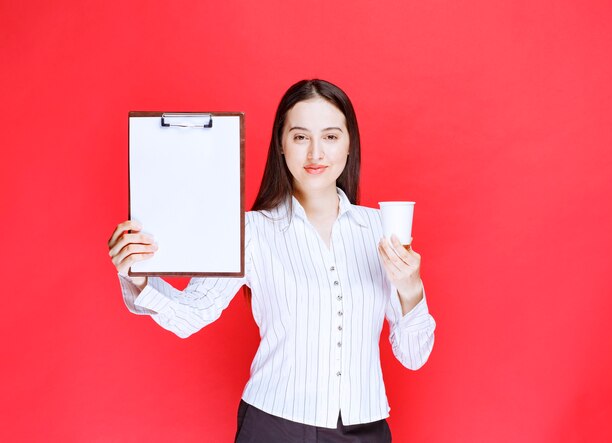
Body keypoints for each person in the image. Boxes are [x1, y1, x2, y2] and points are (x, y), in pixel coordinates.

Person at [108, 79, 436, 442]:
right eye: (300, 137)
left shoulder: (381, 229)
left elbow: (413, 355)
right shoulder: (252, 232)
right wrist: (138, 277)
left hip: (366, 429)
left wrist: (410, 288)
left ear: (349, 144)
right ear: (281, 145)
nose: (315, 154)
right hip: (274, 426)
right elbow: (191, 314)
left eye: (330, 136)